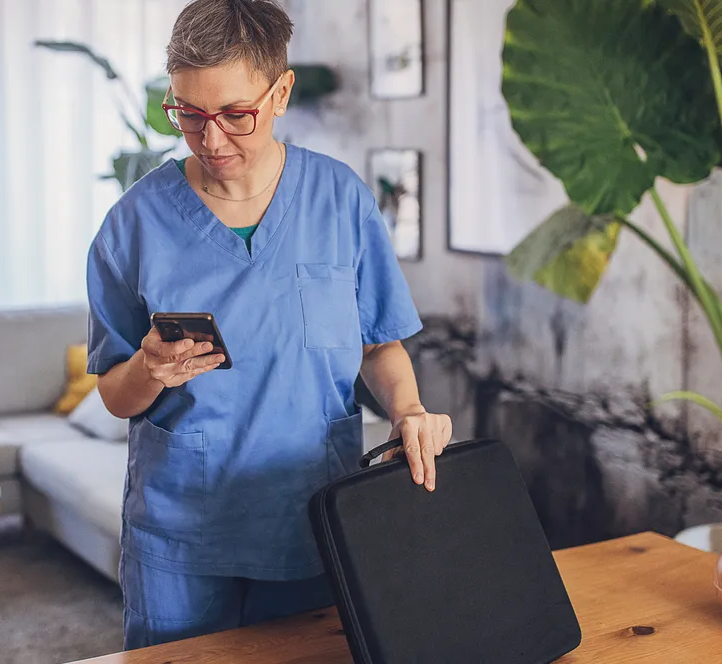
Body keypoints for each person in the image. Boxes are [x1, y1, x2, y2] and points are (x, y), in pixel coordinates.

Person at [84, 0, 453, 650]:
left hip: (311, 515)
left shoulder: (339, 200)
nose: (212, 138)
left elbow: (379, 344)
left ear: (280, 92)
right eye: (188, 115)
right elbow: (116, 395)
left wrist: (411, 410)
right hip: (183, 532)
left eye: (235, 114)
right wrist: (148, 369)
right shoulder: (133, 225)